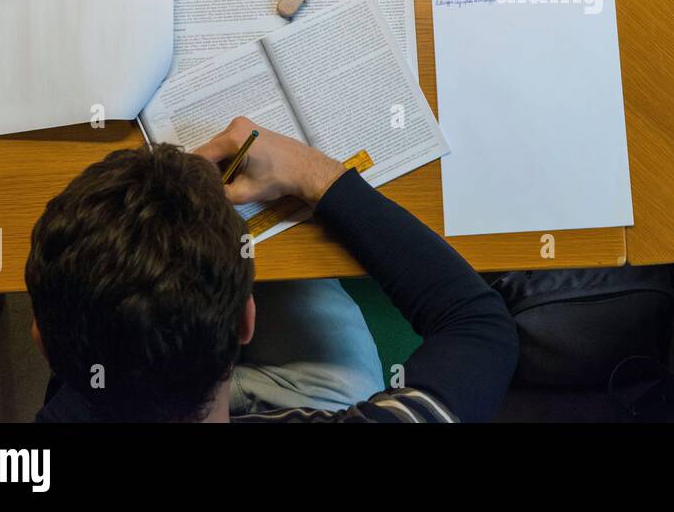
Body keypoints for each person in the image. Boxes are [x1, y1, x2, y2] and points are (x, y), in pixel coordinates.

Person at [26, 117, 519, 422]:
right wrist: (314, 174)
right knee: (310, 286)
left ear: (42, 340)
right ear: (246, 320)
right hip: (298, 394)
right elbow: (479, 327)